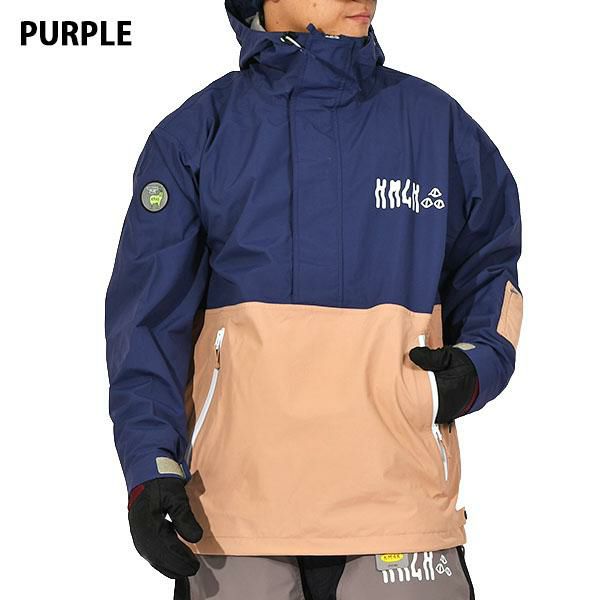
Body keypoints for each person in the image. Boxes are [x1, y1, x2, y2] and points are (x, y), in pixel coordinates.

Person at [104, 1, 523, 598]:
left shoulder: (438, 127)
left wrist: (477, 364)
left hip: (400, 504)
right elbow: (147, 323)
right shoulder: (196, 136)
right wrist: (151, 469)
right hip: (236, 515)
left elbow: (491, 265)